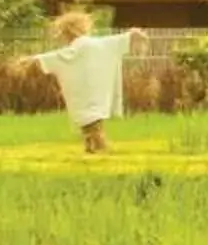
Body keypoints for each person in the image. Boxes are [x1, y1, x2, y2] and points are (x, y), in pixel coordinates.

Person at [14, 10, 143, 154]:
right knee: (93, 122)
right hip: (97, 91)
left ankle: (99, 146)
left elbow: (56, 57)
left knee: (90, 123)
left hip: (83, 94)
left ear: (68, 32)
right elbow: (116, 41)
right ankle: (92, 146)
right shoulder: (97, 44)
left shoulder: (77, 48)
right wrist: (132, 34)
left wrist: (32, 59)